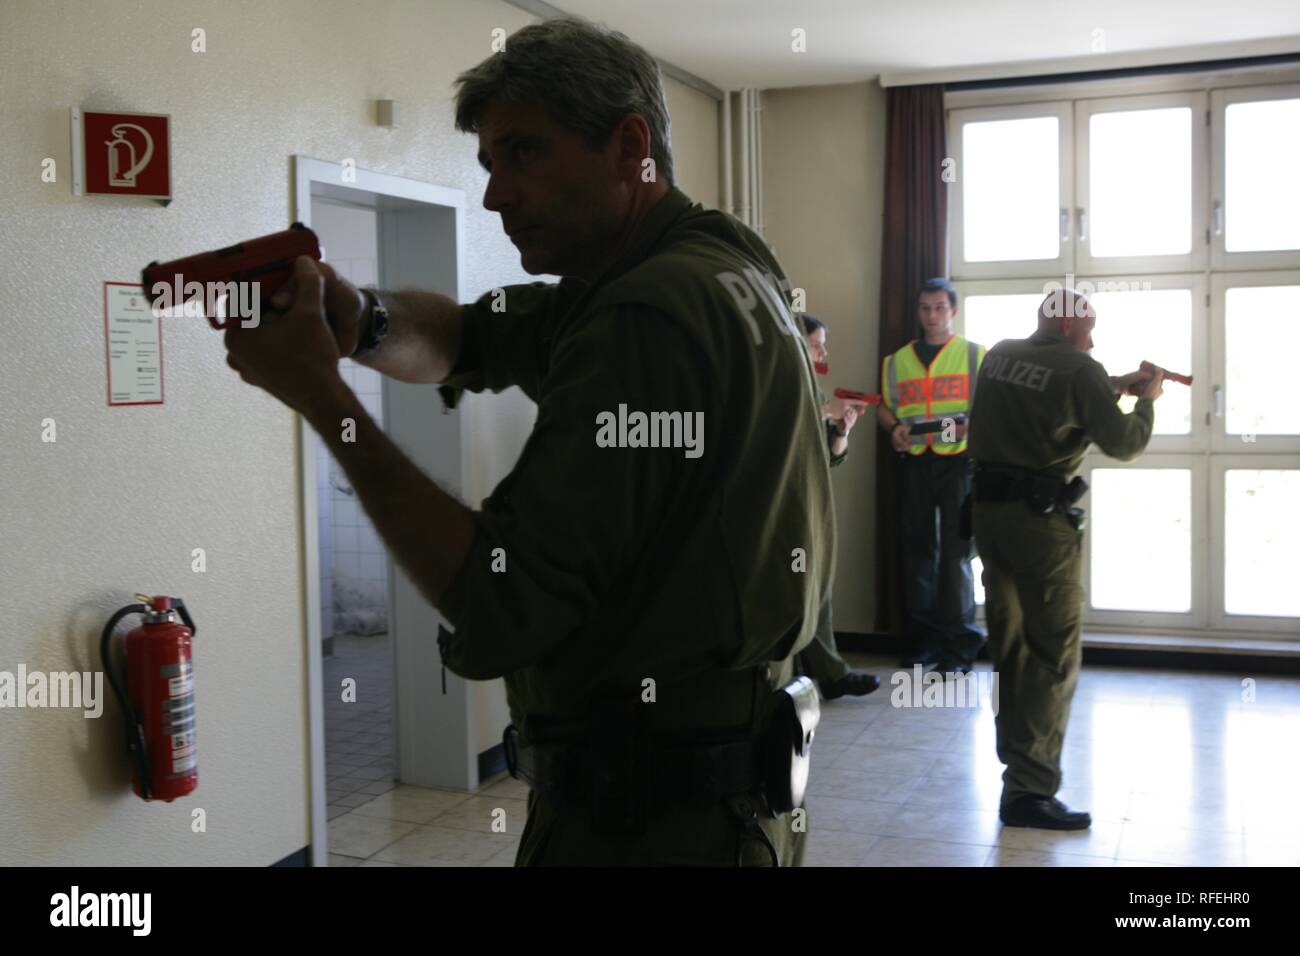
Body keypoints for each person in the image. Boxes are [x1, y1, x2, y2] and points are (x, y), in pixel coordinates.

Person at [222, 16, 833, 865]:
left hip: (646, 824)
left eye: (525, 153)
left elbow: (498, 600)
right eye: (489, 164)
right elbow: (474, 337)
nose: (496, 194)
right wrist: (362, 321)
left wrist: (324, 399)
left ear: (629, 145)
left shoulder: (639, 318)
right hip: (725, 794)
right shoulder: (719, 260)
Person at [968, 288, 1163, 830]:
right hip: (1041, 529)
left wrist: (1106, 385)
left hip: (988, 517)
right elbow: (1122, 441)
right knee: (1052, 655)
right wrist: (1145, 400)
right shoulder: (1081, 367)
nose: (1093, 340)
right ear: (1073, 330)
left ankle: (1017, 778)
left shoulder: (1001, 354)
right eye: (1090, 330)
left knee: (1010, 650)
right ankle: (1031, 791)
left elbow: (1042, 400)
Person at [876, 279, 986, 674]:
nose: (932, 315)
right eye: (925, 308)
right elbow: (885, 409)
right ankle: (924, 641)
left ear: (953, 310)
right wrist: (893, 429)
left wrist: (968, 429)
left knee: (957, 552)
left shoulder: (975, 356)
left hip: (958, 462)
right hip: (916, 461)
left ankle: (960, 647)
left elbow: (988, 412)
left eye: (939, 307)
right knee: (918, 551)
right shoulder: (896, 360)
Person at [799, 315, 879, 700]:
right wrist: (827, 412)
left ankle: (828, 669)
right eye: (817, 344)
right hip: (790, 503)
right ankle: (828, 671)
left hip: (812, 501)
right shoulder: (786, 385)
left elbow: (831, 458)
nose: (823, 352)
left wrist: (842, 428)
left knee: (819, 585)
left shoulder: (815, 392)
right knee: (802, 586)